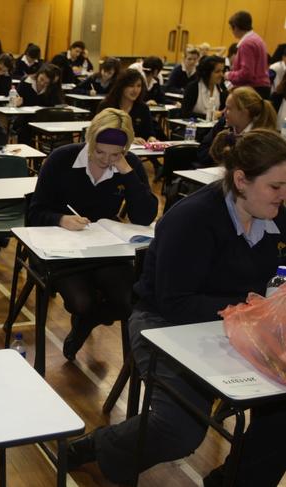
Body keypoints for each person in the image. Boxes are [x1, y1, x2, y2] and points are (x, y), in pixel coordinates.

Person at [66, 128, 286, 487]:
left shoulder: (276, 216)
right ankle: (97, 448)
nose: (284, 195)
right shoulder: (192, 219)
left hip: (243, 325)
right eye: (275, 187)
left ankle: (235, 480)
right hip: (164, 325)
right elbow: (175, 303)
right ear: (242, 180)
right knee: (180, 431)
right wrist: (254, 308)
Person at [28, 108, 158, 360]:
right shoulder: (61, 159)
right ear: (89, 140)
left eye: (115, 154)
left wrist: (127, 171)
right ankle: (85, 320)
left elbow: (144, 217)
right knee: (81, 303)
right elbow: (35, 212)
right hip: (62, 252)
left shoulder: (126, 165)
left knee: (128, 301)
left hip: (107, 252)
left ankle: (86, 322)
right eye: (99, 151)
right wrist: (60, 219)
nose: (105, 159)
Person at [197, 86, 276, 167]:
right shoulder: (223, 124)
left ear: (244, 112)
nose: (224, 112)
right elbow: (202, 152)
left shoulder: (262, 135)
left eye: (229, 108)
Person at [98, 69, 156, 144]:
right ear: (121, 86)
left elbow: (149, 132)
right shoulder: (107, 106)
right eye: (131, 86)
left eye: (139, 86)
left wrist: (151, 138)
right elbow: (100, 133)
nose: (135, 90)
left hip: (137, 152)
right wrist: (129, 140)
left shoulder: (143, 108)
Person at [225, 11, 270, 99]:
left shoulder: (247, 43)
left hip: (253, 89)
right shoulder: (257, 39)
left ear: (236, 27)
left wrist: (228, 75)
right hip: (261, 88)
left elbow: (247, 73)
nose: (232, 31)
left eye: (231, 28)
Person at [181, 55, 227, 119]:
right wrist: (207, 116)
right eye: (217, 71)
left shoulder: (221, 88)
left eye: (222, 71)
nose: (221, 75)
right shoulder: (193, 88)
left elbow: (223, 112)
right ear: (206, 73)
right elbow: (185, 114)